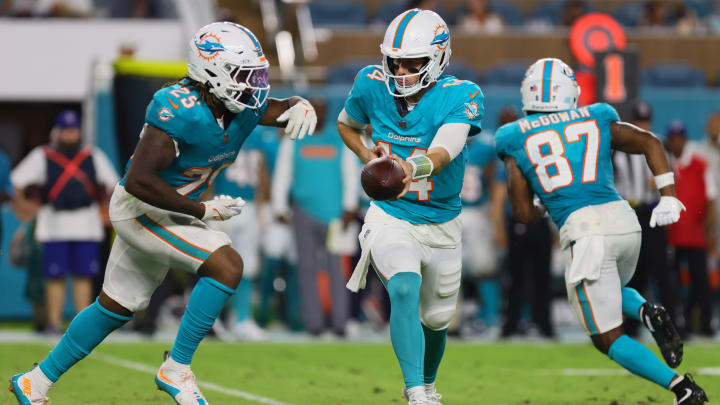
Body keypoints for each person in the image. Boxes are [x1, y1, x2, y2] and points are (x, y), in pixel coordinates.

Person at [9, 21, 317, 405]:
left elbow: (270, 108)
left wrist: (296, 104)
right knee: (226, 265)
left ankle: (35, 382)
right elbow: (139, 180)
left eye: (256, 73)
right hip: (143, 207)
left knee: (114, 308)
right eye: (244, 74)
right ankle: (177, 369)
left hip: (169, 210)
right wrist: (201, 209)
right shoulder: (178, 109)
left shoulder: (238, 105)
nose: (254, 83)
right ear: (212, 75)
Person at [494, 57, 707, 405]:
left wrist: (546, 206)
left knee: (606, 337)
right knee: (611, 286)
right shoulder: (597, 115)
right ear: (571, 92)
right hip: (624, 222)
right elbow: (651, 142)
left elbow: (520, 211)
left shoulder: (512, 136)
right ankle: (645, 311)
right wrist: (668, 196)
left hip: (585, 232)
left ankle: (681, 389)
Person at [338, 9, 484, 404]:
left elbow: (444, 150)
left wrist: (407, 167)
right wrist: (368, 155)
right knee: (404, 285)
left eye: (413, 62)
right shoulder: (371, 84)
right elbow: (346, 124)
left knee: (436, 322)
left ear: (437, 59)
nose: (401, 70)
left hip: (442, 222)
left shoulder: (461, 94)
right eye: (395, 60)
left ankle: (428, 384)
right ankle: (417, 393)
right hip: (391, 216)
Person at [10, 110, 119, 335]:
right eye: (66, 130)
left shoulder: (91, 154)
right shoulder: (44, 155)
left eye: (74, 130)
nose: (70, 135)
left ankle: (81, 325)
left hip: (86, 224)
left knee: (83, 276)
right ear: (58, 131)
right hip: (54, 224)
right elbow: (16, 182)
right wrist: (23, 207)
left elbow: (113, 184)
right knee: (54, 276)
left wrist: (106, 211)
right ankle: (54, 322)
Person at [273, 98, 357, 337]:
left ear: (327, 112)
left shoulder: (339, 139)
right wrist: (280, 207)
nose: (318, 113)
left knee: (337, 270)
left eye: (321, 109)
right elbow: (283, 174)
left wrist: (350, 207)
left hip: (335, 215)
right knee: (306, 269)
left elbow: (350, 173)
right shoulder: (295, 140)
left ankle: (340, 322)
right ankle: (314, 323)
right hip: (303, 211)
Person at [612, 101, 679, 337]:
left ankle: (672, 326)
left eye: (645, 121)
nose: (642, 125)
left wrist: (664, 187)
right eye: (639, 121)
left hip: (653, 210)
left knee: (661, 271)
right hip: (631, 211)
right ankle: (631, 327)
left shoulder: (659, 143)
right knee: (634, 271)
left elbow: (673, 176)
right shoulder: (619, 146)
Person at [209, 127, 270, 341]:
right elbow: (211, 171)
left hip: (249, 206)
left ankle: (242, 319)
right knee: (217, 266)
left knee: (247, 266)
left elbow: (261, 173)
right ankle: (210, 318)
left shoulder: (255, 133)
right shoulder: (219, 132)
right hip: (223, 204)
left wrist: (263, 207)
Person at [665, 120, 717, 337]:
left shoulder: (699, 164)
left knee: (700, 281)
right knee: (672, 284)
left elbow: (711, 200)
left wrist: (708, 230)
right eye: (673, 138)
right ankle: (679, 324)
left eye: (680, 138)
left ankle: (704, 323)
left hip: (695, 235)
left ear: (685, 139)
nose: (677, 142)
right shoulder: (663, 164)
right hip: (671, 236)